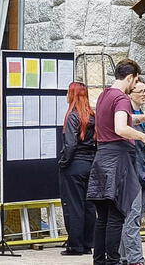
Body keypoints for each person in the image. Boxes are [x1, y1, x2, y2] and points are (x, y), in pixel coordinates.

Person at [87, 59, 145, 265]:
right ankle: (113, 261)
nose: (135, 86)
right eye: (135, 81)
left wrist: (143, 117)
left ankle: (99, 261)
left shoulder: (104, 95)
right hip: (118, 162)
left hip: (101, 160)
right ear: (129, 78)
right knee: (116, 217)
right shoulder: (122, 98)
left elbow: (123, 119)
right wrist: (144, 137)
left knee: (103, 218)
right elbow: (120, 127)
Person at [119, 79, 145, 265]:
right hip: (132, 173)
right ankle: (135, 259)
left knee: (136, 215)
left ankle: (122, 256)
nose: (144, 94)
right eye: (140, 91)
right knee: (133, 217)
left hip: (143, 172)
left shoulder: (141, 115)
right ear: (130, 93)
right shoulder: (126, 116)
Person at [59, 82, 97, 256]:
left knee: (74, 206)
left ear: (71, 95)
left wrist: (63, 162)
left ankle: (75, 246)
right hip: (91, 164)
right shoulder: (93, 116)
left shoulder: (72, 116)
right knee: (89, 206)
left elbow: (71, 144)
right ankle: (88, 243)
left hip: (74, 165)